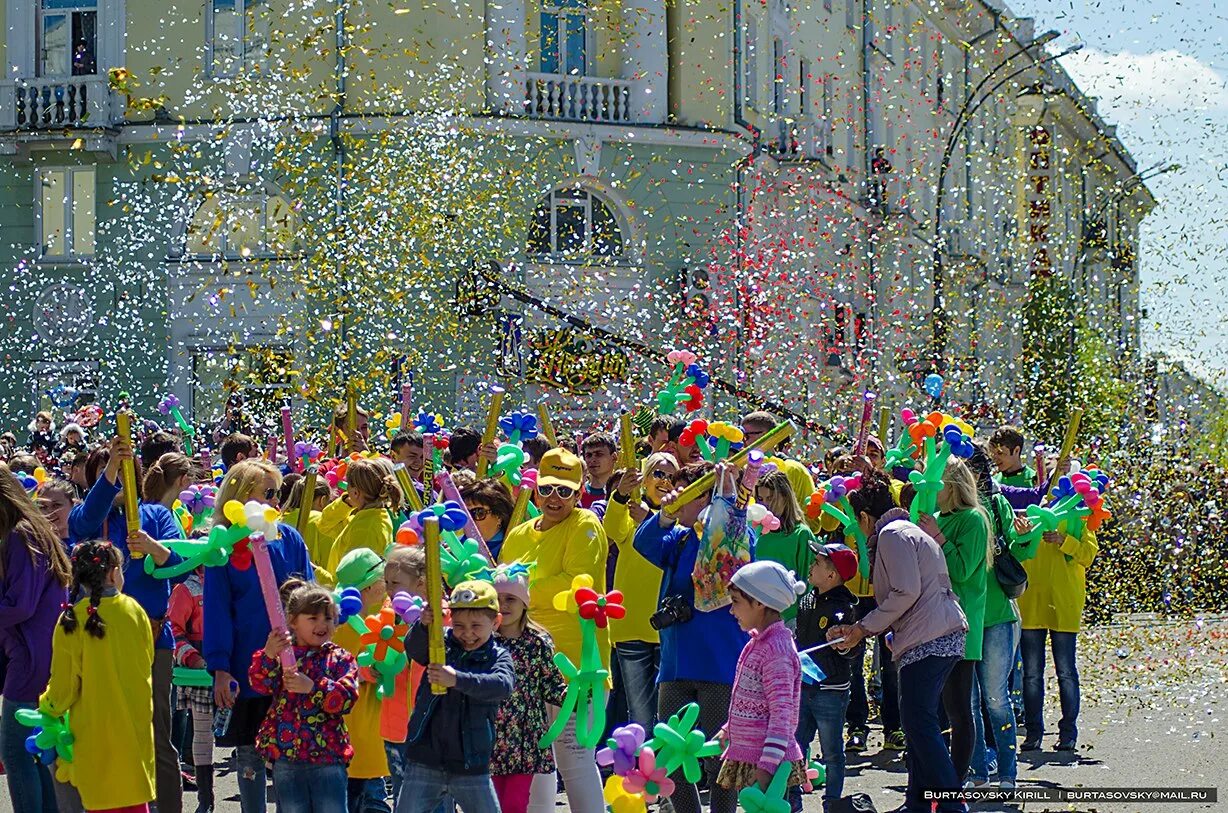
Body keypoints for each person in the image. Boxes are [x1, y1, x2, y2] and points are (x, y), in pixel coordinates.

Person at [826, 471, 968, 813]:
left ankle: (951, 804)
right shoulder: (904, 532)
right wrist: (887, 629)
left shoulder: (891, 534)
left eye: (856, 523)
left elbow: (906, 590)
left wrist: (863, 628)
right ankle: (918, 803)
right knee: (917, 721)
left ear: (864, 517)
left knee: (919, 721)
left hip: (931, 636)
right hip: (928, 633)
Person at [69, 436, 185, 813]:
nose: (120, 481)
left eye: (125, 472)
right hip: (97, 635)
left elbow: (185, 563)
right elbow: (84, 522)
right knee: (99, 728)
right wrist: (110, 473)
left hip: (152, 637)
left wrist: (156, 548)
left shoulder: (156, 516)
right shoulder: (88, 520)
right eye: (108, 474)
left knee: (156, 731)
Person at [634, 461, 749, 813]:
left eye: (686, 495)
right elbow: (645, 544)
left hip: (719, 664)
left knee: (719, 755)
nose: (678, 501)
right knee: (673, 751)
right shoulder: (680, 537)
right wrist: (665, 514)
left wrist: (727, 495)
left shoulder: (734, 534)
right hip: (676, 663)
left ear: (706, 499)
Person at [498, 447, 607, 812]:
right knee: (535, 758)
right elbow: (502, 592)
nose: (554, 498)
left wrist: (520, 591)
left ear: (579, 493)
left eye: (564, 490)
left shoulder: (586, 524)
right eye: (546, 488)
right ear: (535, 490)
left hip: (577, 666)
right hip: (526, 666)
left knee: (575, 763)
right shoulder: (519, 534)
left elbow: (577, 583)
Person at [203, 458, 313, 813]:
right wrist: (220, 666)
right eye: (267, 492)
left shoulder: (288, 537)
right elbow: (217, 609)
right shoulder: (222, 547)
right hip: (247, 665)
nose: (275, 500)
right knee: (249, 749)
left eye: (277, 493)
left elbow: (308, 592)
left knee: (289, 750)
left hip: (292, 663)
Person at [43, 540, 156, 813]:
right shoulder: (134, 610)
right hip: (134, 729)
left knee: (102, 803)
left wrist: (48, 707)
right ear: (113, 572)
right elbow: (148, 659)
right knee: (134, 801)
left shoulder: (71, 620)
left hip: (95, 736)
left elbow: (63, 688)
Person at [398, 580, 515, 813]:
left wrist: (457, 679)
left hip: (471, 763)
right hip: (426, 758)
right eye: (460, 625)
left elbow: (502, 686)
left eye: (476, 626)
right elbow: (415, 650)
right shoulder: (441, 644)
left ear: (495, 622)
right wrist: (424, 626)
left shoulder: (498, 657)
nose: (467, 633)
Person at [249, 579, 360, 813]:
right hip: (287, 756)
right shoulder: (283, 655)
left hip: (328, 757)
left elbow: (347, 698)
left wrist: (313, 687)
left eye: (328, 618)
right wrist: (269, 654)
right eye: (313, 618)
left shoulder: (341, 659)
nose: (322, 624)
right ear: (292, 621)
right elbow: (260, 684)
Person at [964, 445, 1038, 790]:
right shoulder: (942, 510)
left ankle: (1008, 773)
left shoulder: (996, 504)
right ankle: (978, 771)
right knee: (968, 703)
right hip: (960, 620)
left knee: (995, 698)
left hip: (996, 616)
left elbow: (1020, 549)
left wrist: (1025, 538)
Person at [0, 463, 72, 813]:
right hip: (43, 651)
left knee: (15, 753)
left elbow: (21, 605)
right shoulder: (33, 530)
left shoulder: (20, 534)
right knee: (38, 751)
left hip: (31, 657)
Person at [915, 457, 991, 785]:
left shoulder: (973, 519)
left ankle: (955, 783)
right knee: (936, 710)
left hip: (961, 625)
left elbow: (962, 571)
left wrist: (938, 538)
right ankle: (940, 777)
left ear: (953, 484)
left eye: (937, 479)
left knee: (959, 710)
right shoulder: (935, 518)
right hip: (933, 623)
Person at [717, 561, 807, 796]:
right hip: (753, 756)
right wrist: (730, 729)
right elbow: (755, 701)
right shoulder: (758, 643)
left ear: (759, 602)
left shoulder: (776, 651)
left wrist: (767, 766)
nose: (731, 610)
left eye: (736, 602)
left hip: (768, 762)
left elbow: (781, 714)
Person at [601, 453, 677, 729]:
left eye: (671, 476)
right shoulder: (631, 513)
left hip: (668, 631)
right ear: (644, 481)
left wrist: (653, 520)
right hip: (631, 627)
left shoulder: (685, 519)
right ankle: (640, 770)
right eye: (658, 474)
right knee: (640, 714)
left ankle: (664, 771)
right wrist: (621, 494)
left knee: (669, 715)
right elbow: (611, 528)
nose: (665, 481)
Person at [1017, 500, 1098, 752]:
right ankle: (1033, 732)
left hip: (1064, 603)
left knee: (1066, 671)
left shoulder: (1077, 514)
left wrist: (1064, 540)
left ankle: (1068, 732)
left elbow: (1088, 555)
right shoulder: (1029, 511)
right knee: (1030, 674)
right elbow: (1015, 550)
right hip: (1031, 602)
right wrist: (1021, 535)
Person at [491, 564, 566, 813]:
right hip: (490, 737)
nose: (504, 605)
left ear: (525, 602)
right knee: (491, 804)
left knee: (514, 804)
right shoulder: (483, 642)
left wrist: (572, 695)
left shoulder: (538, 642)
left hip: (525, 738)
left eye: (511, 598)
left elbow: (550, 684)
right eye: (498, 599)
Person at [790, 543, 859, 812]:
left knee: (831, 750)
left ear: (832, 575)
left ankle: (832, 802)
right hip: (803, 686)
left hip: (831, 690)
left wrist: (843, 645)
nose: (811, 566)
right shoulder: (807, 599)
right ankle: (792, 798)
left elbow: (854, 649)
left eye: (817, 563)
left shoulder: (846, 608)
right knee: (795, 745)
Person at [333, 549, 392, 813]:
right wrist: (361, 670)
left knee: (369, 786)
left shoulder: (385, 614)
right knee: (362, 790)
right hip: (354, 719)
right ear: (368, 587)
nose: (387, 584)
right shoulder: (344, 626)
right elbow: (336, 665)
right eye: (382, 580)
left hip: (373, 718)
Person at [382, 546, 428, 803]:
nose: (389, 589)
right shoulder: (387, 616)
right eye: (386, 582)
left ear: (421, 583)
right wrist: (373, 671)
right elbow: (370, 657)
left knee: (435, 797)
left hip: (430, 726)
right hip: (395, 724)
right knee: (402, 794)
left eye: (396, 582)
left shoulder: (438, 616)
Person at [169, 564, 216, 813]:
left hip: (230, 667)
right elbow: (173, 629)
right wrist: (193, 658)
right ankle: (205, 799)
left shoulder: (231, 582)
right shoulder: (186, 590)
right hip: (199, 672)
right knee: (203, 732)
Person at [752, 470, 815, 626]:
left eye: (771, 498)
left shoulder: (801, 534)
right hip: (756, 618)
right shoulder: (754, 532)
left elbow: (810, 582)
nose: (765, 505)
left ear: (786, 498)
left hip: (790, 619)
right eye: (761, 499)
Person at [326, 457, 400, 573]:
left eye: (348, 484)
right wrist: (347, 502)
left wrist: (316, 572)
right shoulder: (371, 516)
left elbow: (354, 579)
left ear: (355, 492)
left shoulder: (365, 528)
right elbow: (325, 525)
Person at [741, 411, 816, 522]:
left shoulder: (795, 469)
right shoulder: (741, 468)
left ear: (769, 434)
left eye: (746, 436)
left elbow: (812, 519)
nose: (742, 441)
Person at [282, 476, 338, 587]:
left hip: (285, 587)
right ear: (322, 500)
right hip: (314, 589)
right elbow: (330, 566)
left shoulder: (280, 520)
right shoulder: (322, 521)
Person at [143, 453, 199, 536]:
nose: (192, 484)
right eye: (191, 480)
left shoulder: (173, 513)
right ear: (183, 480)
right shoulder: (154, 517)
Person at [459, 478, 515, 560]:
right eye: (465, 512)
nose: (469, 520)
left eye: (479, 512)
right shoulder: (454, 544)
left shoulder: (514, 548)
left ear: (499, 515)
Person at [579, 432, 617, 509]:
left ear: (614, 457)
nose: (592, 460)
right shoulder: (576, 494)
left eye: (599, 454)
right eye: (588, 455)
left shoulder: (624, 493)